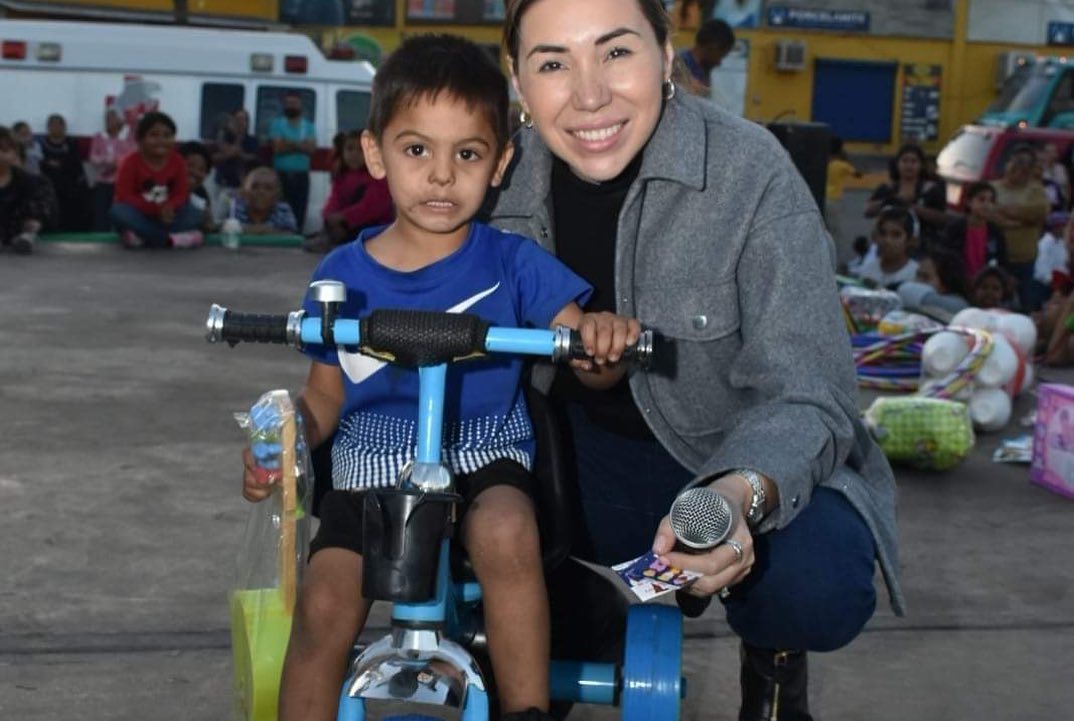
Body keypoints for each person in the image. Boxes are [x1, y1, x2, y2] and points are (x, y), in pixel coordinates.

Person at [492, 2, 900, 720]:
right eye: (553, 63)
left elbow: (809, 388)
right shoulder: (488, 176)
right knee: (420, 502)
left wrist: (737, 498)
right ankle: (571, 601)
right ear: (516, 78)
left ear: (667, 51)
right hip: (578, 476)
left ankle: (771, 658)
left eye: (616, 52)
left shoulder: (751, 175)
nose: (589, 95)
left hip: (733, 459)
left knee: (816, 587)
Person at [240, 34, 640, 721]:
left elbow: (584, 353)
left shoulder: (515, 263)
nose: (441, 175)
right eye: (417, 149)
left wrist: (601, 345)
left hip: (483, 449)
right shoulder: (342, 275)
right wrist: (284, 440)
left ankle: (525, 708)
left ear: (501, 161)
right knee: (325, 599)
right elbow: (324, 396)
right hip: (368, 461)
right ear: (375, 152)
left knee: (508, 533)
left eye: (468, 153)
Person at [110, 111, 204, 249]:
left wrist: (170, 207)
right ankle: (169, 239)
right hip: (140, 216)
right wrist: (155, 209)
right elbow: (124, 197)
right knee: (117, 212)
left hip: (168, 217)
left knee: (196, 215)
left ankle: (144, 238)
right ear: (140, 140)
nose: (161, 140)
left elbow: (181, 194)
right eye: (154, 135)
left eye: (167, 135)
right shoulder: (131, 162)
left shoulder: (178, 162)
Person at [306, 130, 394, 252]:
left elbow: (372, 207)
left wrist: (344, 217)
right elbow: (334, 199)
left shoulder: (378, 177)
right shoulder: (342, 176)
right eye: (349, 149)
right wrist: (329, 215)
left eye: (360, 150)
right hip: (346, 223)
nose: (354, 155)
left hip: (375, 226)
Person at [992, 144, 1050, 311]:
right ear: (1007, 163)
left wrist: (1003, 211)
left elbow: (1039, 212)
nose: (1021, 168)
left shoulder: (1037, 191)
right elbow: (990, 215)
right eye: (1017, 162)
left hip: (1025, 260)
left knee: (1024, 306)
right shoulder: (993, 188)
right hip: (998, 258)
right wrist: (1021, 220)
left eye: (1027, 164)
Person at [863, 142, 947, 251]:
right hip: (888, 246)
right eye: (905, 161)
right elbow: (867, 212)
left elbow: (944, 219)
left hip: (924, 247)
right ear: (897, 164)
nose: (909, 165)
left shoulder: (931, 189)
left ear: (921, 165)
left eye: (914, 161)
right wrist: (891, 201)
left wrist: (912, 207)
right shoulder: (888, 188)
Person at [0, 126, 56, 254]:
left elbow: (45, 210)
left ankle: (26, 237)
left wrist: (32, 222)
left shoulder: (31, 181)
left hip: (19, 228)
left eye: (5, 150)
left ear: (15, 153)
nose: (0, 154)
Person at [940, 180, 1008, 285]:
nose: (987, 205)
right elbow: (944, 257)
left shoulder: (995, 232)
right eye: (981, 199)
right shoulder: (955, 228)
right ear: (969, 202)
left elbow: (1002, 262)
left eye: (991, 201)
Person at [269, 93, 316, 232]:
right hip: (281, 175)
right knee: (280, 208)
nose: (291, 106)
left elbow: (311, 148)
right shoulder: (277, 124)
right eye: (288, 103)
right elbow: (277, 148)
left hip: (301, 175)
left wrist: (287, 143)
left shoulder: (308, 126)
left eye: (294, 103)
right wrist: (301, 145)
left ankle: (297, 235)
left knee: (300, 209)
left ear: (300, 106)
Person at [40, 113, 91, 231]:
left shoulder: (72, 142)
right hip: (50, 183)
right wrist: (50, 164)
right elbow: (41, 162)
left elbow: (75, 162)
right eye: (52, 125)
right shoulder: (42, 144)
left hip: (70, 185)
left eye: (58, 124)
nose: (55, 127)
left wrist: (60, 164)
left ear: (64, 127)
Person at [89, 107, 136, 231]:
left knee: (121, 212)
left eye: (112, 118)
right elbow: (93, 157)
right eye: (107, 118)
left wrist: (116, 163)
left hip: (121, 182)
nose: (108, 121)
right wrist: (109, 161)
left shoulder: (128, 137)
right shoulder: (99, 137)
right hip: (102, 181)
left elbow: (131, 155)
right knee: (101, 212)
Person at [854, 206, 920, 290]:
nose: (887, 240)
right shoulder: (867, 271)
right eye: (883, 233)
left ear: (909, 240)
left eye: (896, 235)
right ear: (875, 237)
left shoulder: (916, 274)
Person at [897, 247, 970, 318]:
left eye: (925, 277)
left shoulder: (960, 307)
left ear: (945, 284)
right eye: (918, 275)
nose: (918, 281)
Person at [226, 167, 299, 235]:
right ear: (244, 192)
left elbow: (290, 234)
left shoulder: (283, 209)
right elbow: (222, 230)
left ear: (277, 195)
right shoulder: (235, 207)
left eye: (268, 188)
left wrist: (255, 230)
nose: (261, 192)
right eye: (254, 187)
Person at [212, 108, 260, 209]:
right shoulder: (224, 137)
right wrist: (236, 140)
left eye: (243, 119)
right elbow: (218, 156)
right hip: (222, 183)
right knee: (218, 212)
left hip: (243, 186)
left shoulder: (252, 140)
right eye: (238, 119)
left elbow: (252, 157)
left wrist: (237, 153)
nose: (241, 123)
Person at [825, 135, 862, 262]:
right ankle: (835, 258)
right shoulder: (841, 165)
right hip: (834, 200)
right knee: (834, 231)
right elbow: (858, 174)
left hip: (822, 197)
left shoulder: (822, 161)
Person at [676, 18, 734, 95]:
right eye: (720, 56)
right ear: (713, 47)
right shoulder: (678, 65)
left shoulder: (703, 69)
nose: (719, 63)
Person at [179, 141, 217, 233]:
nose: (195, 172)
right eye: (189, 165)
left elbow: (209, 227)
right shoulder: (161, 190)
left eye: (201, 169)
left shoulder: (201, 195)